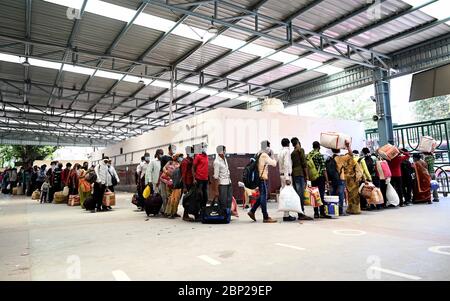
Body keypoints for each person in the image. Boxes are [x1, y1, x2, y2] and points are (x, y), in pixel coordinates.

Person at [248, 140, 277, 223]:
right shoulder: (264, 155)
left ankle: (252, 211)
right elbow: (274, 164)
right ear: (267, 147)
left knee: (262, 196)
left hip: (257, 178)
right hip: (261, 178)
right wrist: (273, 155)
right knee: (263, 197)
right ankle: (265, 216)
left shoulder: (257, 154)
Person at [291, 137, 313, 221]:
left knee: (298, 194)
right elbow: (304, 163)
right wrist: (307, 175)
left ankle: (300, 213)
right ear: (299, 142)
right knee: (301, 195)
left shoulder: (292, 153)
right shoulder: (301, 150)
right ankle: (301, 214)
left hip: (294, 175)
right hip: (300, 174)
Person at [327, 144, 352, 215]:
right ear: (339, 149)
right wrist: (348, 146)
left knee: (333, 195)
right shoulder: (340, 158)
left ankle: (333, 210)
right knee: (340, 195)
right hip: (340, 179)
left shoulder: (329, 158)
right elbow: (351, 154)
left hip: (331, 179)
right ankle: (340, 211)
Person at [308, 141, 329, 218]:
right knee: (321, 195)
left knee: (314, 195)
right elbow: (323, 169)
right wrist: (327, 181)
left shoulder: (309, 155)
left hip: (313, 177)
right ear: (319, 147)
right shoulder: (319, 155)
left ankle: (316, 213)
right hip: (320, 177)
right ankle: (322, 213)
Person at [278, 138, 296, 222]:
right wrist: (287, 178)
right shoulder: (287, 152)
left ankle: (286, 214)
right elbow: (286, 164)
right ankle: (286, 215)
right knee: (287, 196)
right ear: (288, 144)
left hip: (281, 175)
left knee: (285, 195)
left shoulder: (280, 152)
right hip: (286, 176)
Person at [213, 145, 233, 221]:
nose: (225, 151)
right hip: (222, 184)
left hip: (228, 182)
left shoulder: (224, 159)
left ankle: (228, 215)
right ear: (220, 151)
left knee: (229, 200)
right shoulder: (217, 162)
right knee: (223, 201)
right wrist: (216, 190)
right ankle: (222, 216)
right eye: (224, 150)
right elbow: (215, 177)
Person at [162, 154, 183, 218]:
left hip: (177, 182)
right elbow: (164, 168)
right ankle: (169, 212)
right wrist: (167, 172)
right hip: (169, 182)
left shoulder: (180, 164)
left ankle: (174, 212)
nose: (181, 158)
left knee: (177, 198)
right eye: (180, 157)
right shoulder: (170, 162)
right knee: (170, 197)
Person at [193, 143, 209, 215]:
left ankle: (203, 209)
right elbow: (193, 167)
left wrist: (208, 178)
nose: (205, 148)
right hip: (199, 178)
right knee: (199, 195)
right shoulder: (198, 156)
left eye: (206, 147)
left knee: (205, 196)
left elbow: (206, 167)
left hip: (205, 179)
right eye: (204, 147)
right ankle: (197, 211)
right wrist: (194, 178)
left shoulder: (206, 156)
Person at [160, 145, 175, 213]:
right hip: (164, 179)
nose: (174, 150)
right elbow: (162, 169)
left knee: (171, 195)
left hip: (171, 180)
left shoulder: (174, 158)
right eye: (173, 149)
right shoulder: (164, 157)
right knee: (164, 195)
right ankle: (165, 210)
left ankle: (170, 210)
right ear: (169, 149)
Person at [180, 146, 194, 221]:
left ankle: (188, 213)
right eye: (192, 152)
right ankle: (185, 215)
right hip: (187, 183)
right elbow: (183, 175)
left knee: (191, 199)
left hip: (191, 182)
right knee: (187, 199)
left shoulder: (191, 160)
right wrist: (184, 186)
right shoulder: (185, 162)